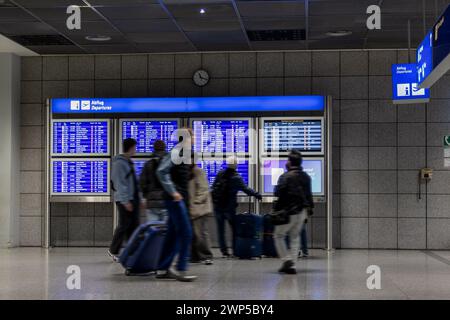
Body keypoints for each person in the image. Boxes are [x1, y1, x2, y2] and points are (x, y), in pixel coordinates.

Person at [156, 128, 197, 282]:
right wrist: (173, 192)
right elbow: (161, 171)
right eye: (193, 136)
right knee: (186, 232)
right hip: (175, 199)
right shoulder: (178, 151)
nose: (195, 138)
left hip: (178, 199)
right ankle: (181, 269)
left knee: (172, 234)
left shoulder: (184, 153)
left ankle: (162, 268)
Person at [212, 156, 262, 258]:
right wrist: (257, 194)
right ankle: (235, 250)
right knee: (234, 229)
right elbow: (246, 189)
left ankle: (224, 252)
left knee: (220, 231)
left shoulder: (220, 174)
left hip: (218, 207)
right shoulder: (236, 177)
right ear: (236, 165)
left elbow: (213, 188)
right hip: (229, 209)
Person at [273, 150, 314, 274]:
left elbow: (277, 193)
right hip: (302, 212)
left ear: (290, 162)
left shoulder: (285, 176)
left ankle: (287, 260)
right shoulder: (306, 177)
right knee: (295, 237)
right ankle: (292, 266)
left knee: (278, 235)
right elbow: (309, 196)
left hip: (288, 212)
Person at [108, 138, 140, 262]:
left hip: (131, 199)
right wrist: (126, 201)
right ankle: (113, 250)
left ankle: (132, 251)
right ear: (131, 148)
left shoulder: (128, 162)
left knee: (133, 226)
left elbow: (132, 183)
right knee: (124, 225)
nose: (135, 150)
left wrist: (139, 199)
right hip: (124, 200)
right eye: (135, 148)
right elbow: (120, 184)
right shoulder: (119, 163)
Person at [188, 161, 214, 265]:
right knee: (193, 234)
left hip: (200, 208)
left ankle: (206, 255)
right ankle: (195, 256)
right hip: (192, 208)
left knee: (200, 233)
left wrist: (196, 202)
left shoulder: (198, 172)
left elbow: (204, 190)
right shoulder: (188, 173)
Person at [139, 140, 168, 222]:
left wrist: (144, 198)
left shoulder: (148, 164)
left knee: (152, 230)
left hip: (151, 204)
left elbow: (142, 183)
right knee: (165, 231)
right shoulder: (169, 164)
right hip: (165, 203)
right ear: (164, 149)